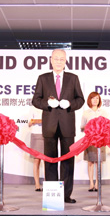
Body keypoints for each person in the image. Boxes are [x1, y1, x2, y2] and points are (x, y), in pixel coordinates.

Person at [31, 49, 84, 203]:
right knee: (50, 160)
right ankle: (52, 193)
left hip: (67, 125)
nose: (59, 61)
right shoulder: (43, 78)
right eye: (56, 59)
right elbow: (36, 100)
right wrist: (48, 103)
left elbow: (80, 99)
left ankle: (66, 195)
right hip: (49, 125)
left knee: (68, 160)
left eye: (62, 59)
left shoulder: (73, 78)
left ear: (65, 61)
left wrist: (70, 104)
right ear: (51, 60)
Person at [80, 92, 110, 192]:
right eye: (93, 98)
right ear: (89, 100)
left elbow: (107, 126)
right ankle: (91, 183)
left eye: (97, 98)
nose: (95, 100)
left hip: (100, 140)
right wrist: (89, 126)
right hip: (89, 140)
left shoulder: (103, 112)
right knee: (90, 162)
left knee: (99, 162)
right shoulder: (86, 113)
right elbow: (81, 127)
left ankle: (97, 183)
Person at [28, 105, 44, 192]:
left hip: (47, 134)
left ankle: (47, 183)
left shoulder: (48, 105)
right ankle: (37, 184)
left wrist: (37, 121)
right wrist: (36, 121)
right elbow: (29, 123)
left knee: (47, 161)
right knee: (36, 160)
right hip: (36, 134)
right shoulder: (33, 108)